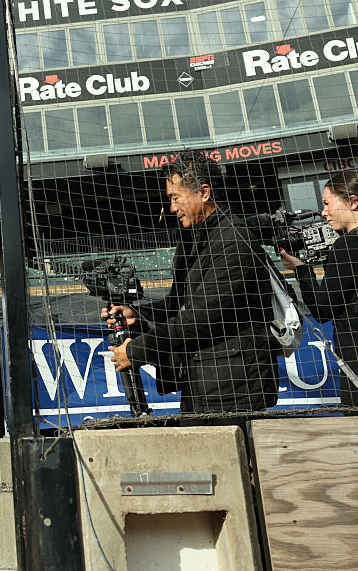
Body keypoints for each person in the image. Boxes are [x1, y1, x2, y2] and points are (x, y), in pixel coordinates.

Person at [104, 150, 281, 415]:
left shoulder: (233, 241)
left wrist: (138, 350)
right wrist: (137, 316)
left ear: (204, 193)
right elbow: (178, 305)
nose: (172, 208)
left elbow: (201, 318)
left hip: (235, 387)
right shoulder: (194, 240)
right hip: (204, 380)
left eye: (176, 198)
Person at [280, 169, 358, 408]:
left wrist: (302, 270)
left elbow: (322, 310)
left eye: (327, 203)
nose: (323, 212)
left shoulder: (349, 245)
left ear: (353, 202)